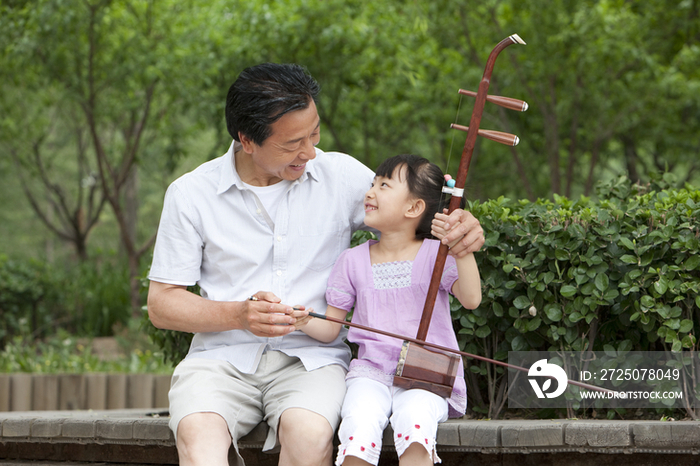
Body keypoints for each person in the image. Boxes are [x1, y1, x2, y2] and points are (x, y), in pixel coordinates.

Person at [147, 63, 485, 466]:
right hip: (219, 359)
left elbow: (409, 213)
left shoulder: (339, 175)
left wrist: (462, 226)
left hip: (312, 360)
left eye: (315, 133)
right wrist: (239, 315)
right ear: (246, 140)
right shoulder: (190, 194)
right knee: (199, 440)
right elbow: (162, 303)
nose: (309, 151)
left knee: (308, 438)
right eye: (293, 143)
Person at [293, 154, 482, 466]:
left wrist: (459, 245)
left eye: (384, 185)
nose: (370, 192)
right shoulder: (351, 261)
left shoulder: (437, 253)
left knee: (415, 418)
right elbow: (330, 328)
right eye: (371, 184)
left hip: (426, 375)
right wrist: (302, 320)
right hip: (371, 374)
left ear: (413, 208)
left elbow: (471, 298)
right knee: (358, 420)